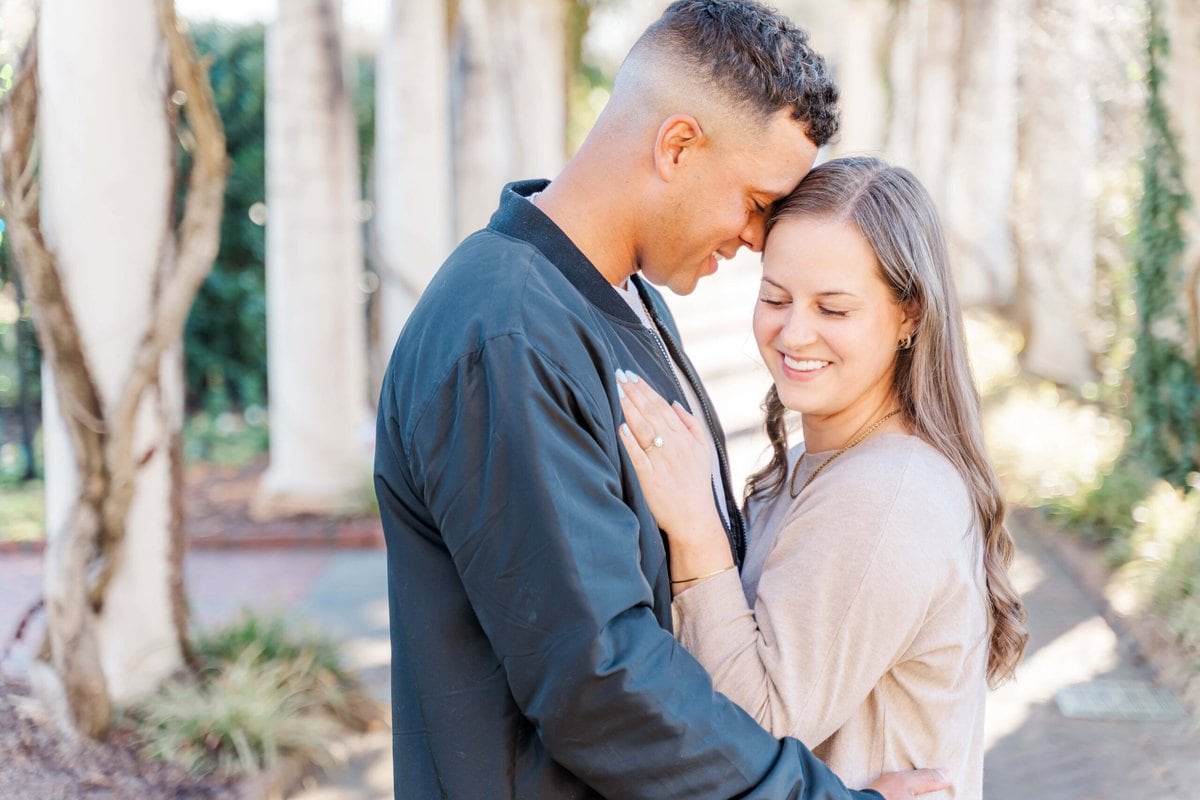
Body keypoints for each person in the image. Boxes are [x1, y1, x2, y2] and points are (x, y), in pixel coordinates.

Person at [374, 1, 951, 798]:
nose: (758, 238)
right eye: (756, 201)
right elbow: (600, 683)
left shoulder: (626, 304)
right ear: (678, 144)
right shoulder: (506, 336)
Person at [616, 156, 1029, 799]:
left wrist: (694, 530)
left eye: (833, 309)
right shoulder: (829, 468)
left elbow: (749, 734)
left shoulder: (883, 495)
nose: (794, 332)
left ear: (909, 316)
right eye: (775, 297)